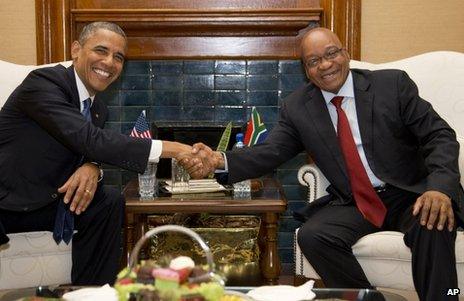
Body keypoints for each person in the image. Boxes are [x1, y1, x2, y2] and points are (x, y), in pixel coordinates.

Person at [180, 28, 463, 301]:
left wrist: (439, 188)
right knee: (314, 236)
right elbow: (271, 151)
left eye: (331, 54)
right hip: (357, 202)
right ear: (306, 69)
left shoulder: (392, 86)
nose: (325, 65)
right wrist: (219, 160)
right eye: (314, 61)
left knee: (433, 221)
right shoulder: (299, 107)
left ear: (346, 53)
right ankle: (366, 300)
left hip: (411, 193)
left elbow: (439, 136)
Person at [0, 22, 193, 285]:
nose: (109, 62)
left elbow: (87, 145)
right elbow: (88, 138)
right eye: (101, 50)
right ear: (76, 49)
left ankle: (91, 290)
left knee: (109, 201)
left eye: (118, 57)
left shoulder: (99, 109)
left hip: (46, 199)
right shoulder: (43, 84)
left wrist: (92, 165)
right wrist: (173, 148)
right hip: (6, 201)